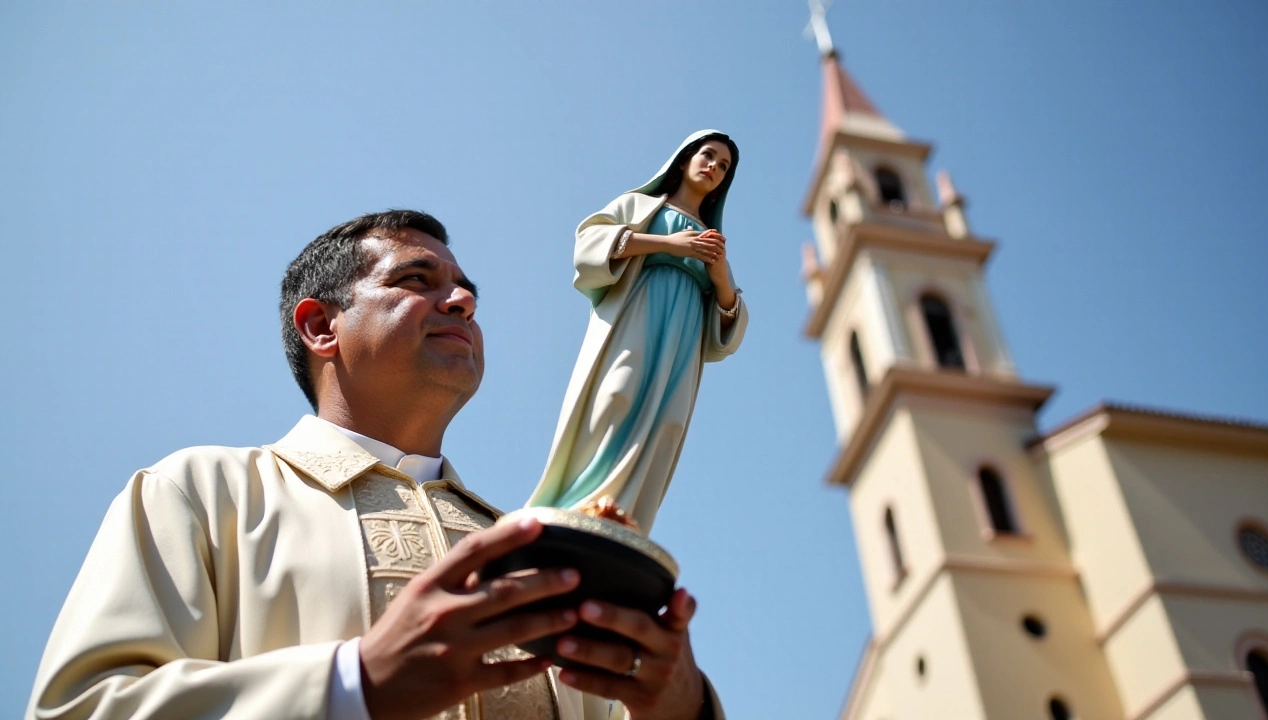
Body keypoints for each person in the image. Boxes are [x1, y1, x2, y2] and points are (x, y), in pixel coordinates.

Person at [27, 211, 724, 720]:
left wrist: (681, 705)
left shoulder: (538, 547)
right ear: (320, 327)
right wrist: (352, 685)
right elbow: (79, 710)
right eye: (417, 278)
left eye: (465, 290)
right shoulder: (200, 494)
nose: (460, 300)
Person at [528, 130, 748, 535]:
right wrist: (669, 244)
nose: (714, 167)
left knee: (668, 422)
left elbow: (729, 324)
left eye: (724, 165)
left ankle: (623, 519)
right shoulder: (640, 205)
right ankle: (580, 505)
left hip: (682, 335)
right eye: (708, 155)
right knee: (616, 394)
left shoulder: (714, 241)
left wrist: (720, 277)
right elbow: (591, 242)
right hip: (639, 315)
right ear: (684, 160)